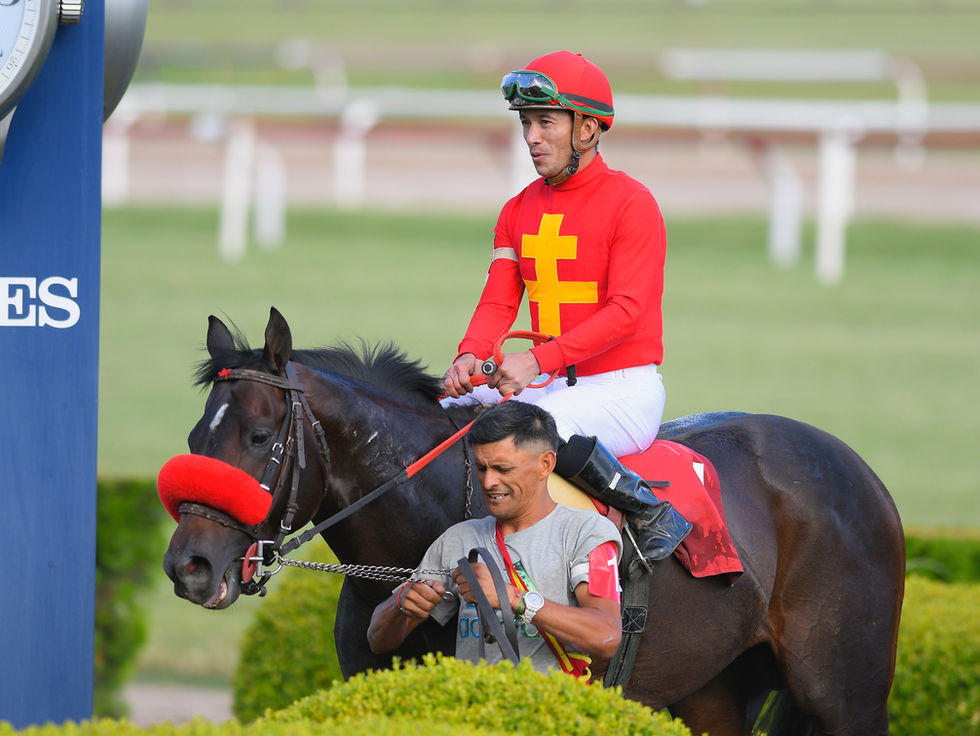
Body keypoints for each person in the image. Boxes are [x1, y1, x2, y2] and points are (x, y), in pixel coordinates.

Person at [441, 50, 691, 573]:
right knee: (439, 415)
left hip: (621, 391)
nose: (531, 136)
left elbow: (626, 312)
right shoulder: (517, 209)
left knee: (527, 438)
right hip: (548, 383)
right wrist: (469, 356)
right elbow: (498, 301)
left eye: (545, 122)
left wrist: (538, 360)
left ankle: (642, 516)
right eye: (526, 123)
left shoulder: (632, 204)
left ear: (587, 129)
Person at [367, 401, 622, 677]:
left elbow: (606, 635)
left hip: (551, 704)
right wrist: (401, 604)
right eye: (482, 468)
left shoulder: (587, 532)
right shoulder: (458, 538)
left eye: (503, 469)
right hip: (471, 702)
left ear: (545, 464)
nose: (488, 483)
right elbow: (378, 640)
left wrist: (511, 597)